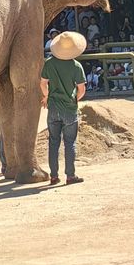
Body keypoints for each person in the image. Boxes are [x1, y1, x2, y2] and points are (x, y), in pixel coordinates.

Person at [40, 31, 87, 185]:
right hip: (69, 109)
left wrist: (46, 96)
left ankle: (53, 175)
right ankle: (70, 175)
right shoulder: (76, 66)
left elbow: (42, 83)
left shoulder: (49, 63)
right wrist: (74, 100)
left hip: (53, 107)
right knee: (70, 143)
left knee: (53, 142)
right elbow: (81, 89)